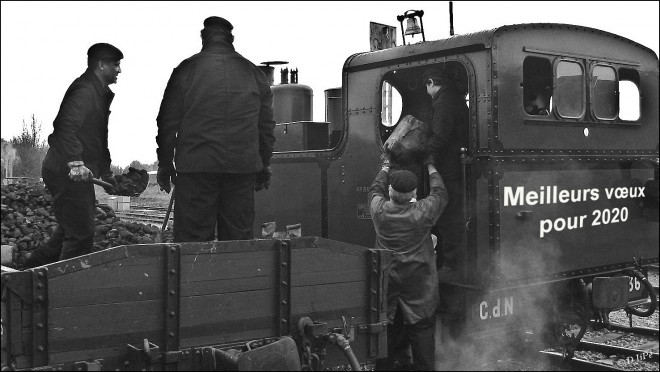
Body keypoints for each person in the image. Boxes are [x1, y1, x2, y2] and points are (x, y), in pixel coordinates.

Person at [156, 16, 275, 242]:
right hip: (241, 171)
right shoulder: (253, 73)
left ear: (204, 38)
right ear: (231, 39)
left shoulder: (185, 70)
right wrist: (264, 164)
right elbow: (266, 126)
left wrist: (165, 164)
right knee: (238, 244)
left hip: (196, 170)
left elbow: (167, 122)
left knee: (192, 246)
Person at [20, 43, 123, 268]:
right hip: (65, 169)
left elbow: (97, 140)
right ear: (101, 64)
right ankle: (64, 294)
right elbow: (65, 125)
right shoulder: (85, 89)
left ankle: (26, 272)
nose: (119, 70)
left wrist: (106, 173)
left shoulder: (99, 93)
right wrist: (75, 162)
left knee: (68, 232)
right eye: (115, 65)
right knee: (80, 235)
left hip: (70, 169)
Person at [369, 158, 448, 371]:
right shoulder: (422, 213)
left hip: (389, 287)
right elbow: (440, 194)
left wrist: (385, 166)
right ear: (414, 194)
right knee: (423, 339)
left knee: (386, 337)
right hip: (419, 288)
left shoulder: (380, 212)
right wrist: (431, 165)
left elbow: (374, 190)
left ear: (391, 191)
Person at [423, 66, 469, 280]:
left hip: (448, 168)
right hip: (455, 165)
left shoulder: (444, 102)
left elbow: (441, 134)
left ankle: (452, 265)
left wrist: (426, 156)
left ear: (432, 82)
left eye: (427, 86)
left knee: (447, 217)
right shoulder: (454, 99)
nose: (427, 91)